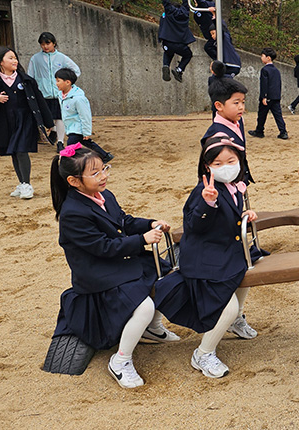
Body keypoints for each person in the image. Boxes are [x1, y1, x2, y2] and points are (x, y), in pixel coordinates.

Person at [49, 144, 178, 389]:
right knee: (144, 306)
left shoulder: (104, 195)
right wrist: (142, 240)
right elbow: (102, 247)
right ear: (74, 182)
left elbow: (124, 221)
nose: (104, 176)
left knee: (166, 277)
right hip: (98, 273)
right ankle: (120, 361)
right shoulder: (72, 213)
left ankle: (150, 329)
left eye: (104, 168)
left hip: (117, 261)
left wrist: (149, 223)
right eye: (95, 173)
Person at [155, 133, 260, 378]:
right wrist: (207, 204)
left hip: (227, 252)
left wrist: (244, 215)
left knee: (248, 271)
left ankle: (234, 321)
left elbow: (228, 218)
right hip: (206, 260)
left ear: (240, 161)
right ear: (207, 167)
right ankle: (203, 353)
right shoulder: (204, 191)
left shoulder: (234, 187)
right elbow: (193, 225)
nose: (226, 168)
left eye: (231, 161)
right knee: (228, 304)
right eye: (218, 164)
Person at [0, 47, 53, 199]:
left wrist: (48, 122)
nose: (15, 61)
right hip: (4, 122)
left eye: (15, 58)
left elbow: (39, 100)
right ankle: (22, 183)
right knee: (13, 151)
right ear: (0, 62)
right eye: (10, 58)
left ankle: (26, 184)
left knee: (21, 150)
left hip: (25, 120)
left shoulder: (26, 80)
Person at [27, 32, 80, 149]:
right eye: (42, 44)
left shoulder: (62, 58)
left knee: (60, 117)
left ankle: (60, 142)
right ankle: (54, 131)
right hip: (42, 94)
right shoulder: (35, 59)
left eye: (48, 43)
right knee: (48, 118)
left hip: (58, 94)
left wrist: (67, 84)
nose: (45, 46)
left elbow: (76, 70)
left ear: (54, 43)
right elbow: (30, 76)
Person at [204, 64, 255, 185]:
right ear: (219, 106)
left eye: (243, 102)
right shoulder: (216, 134)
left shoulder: (238, 121)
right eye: (236, 103)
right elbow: (215, 170)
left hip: (239, 180)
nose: (241, 107)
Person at [55, 68, 113, 163]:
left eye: (58, 81)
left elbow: (85, 115)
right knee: (88, 143)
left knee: (70, 145)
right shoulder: (60, 95)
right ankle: (105, 155)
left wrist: (86, 131)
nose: (56, 83)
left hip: (78, 128)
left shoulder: (78, 99)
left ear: (68, 82)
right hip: (71, 127)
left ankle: (66, 162)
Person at [188, 0, 242, 76]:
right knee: (210, 48)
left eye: (196, 2)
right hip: (213, 34)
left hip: (217, 33)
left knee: (209, 47)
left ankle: (219, 61)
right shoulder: (201, 9)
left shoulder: (207, 5)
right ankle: (219, 60)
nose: (195, 3)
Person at [158, 0, 196, 82]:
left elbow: (165, 0)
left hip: (168, 42)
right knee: (188, 55)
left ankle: (166, 65)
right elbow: (186, 3)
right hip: (180, 44)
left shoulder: (169, 12)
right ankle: (179, 70)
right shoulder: (185, 13)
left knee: (168, 52)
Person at [248, 48, 288, 140]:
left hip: (267, 97)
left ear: (268, 58)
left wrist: (264, 96)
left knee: (262, 114)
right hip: (275, 97)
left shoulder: (264, 70)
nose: (261, 58)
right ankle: (283, 132)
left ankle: (259, 131)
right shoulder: (276, 70)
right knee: (278, 115)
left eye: (262, 56)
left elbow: (264, 84)